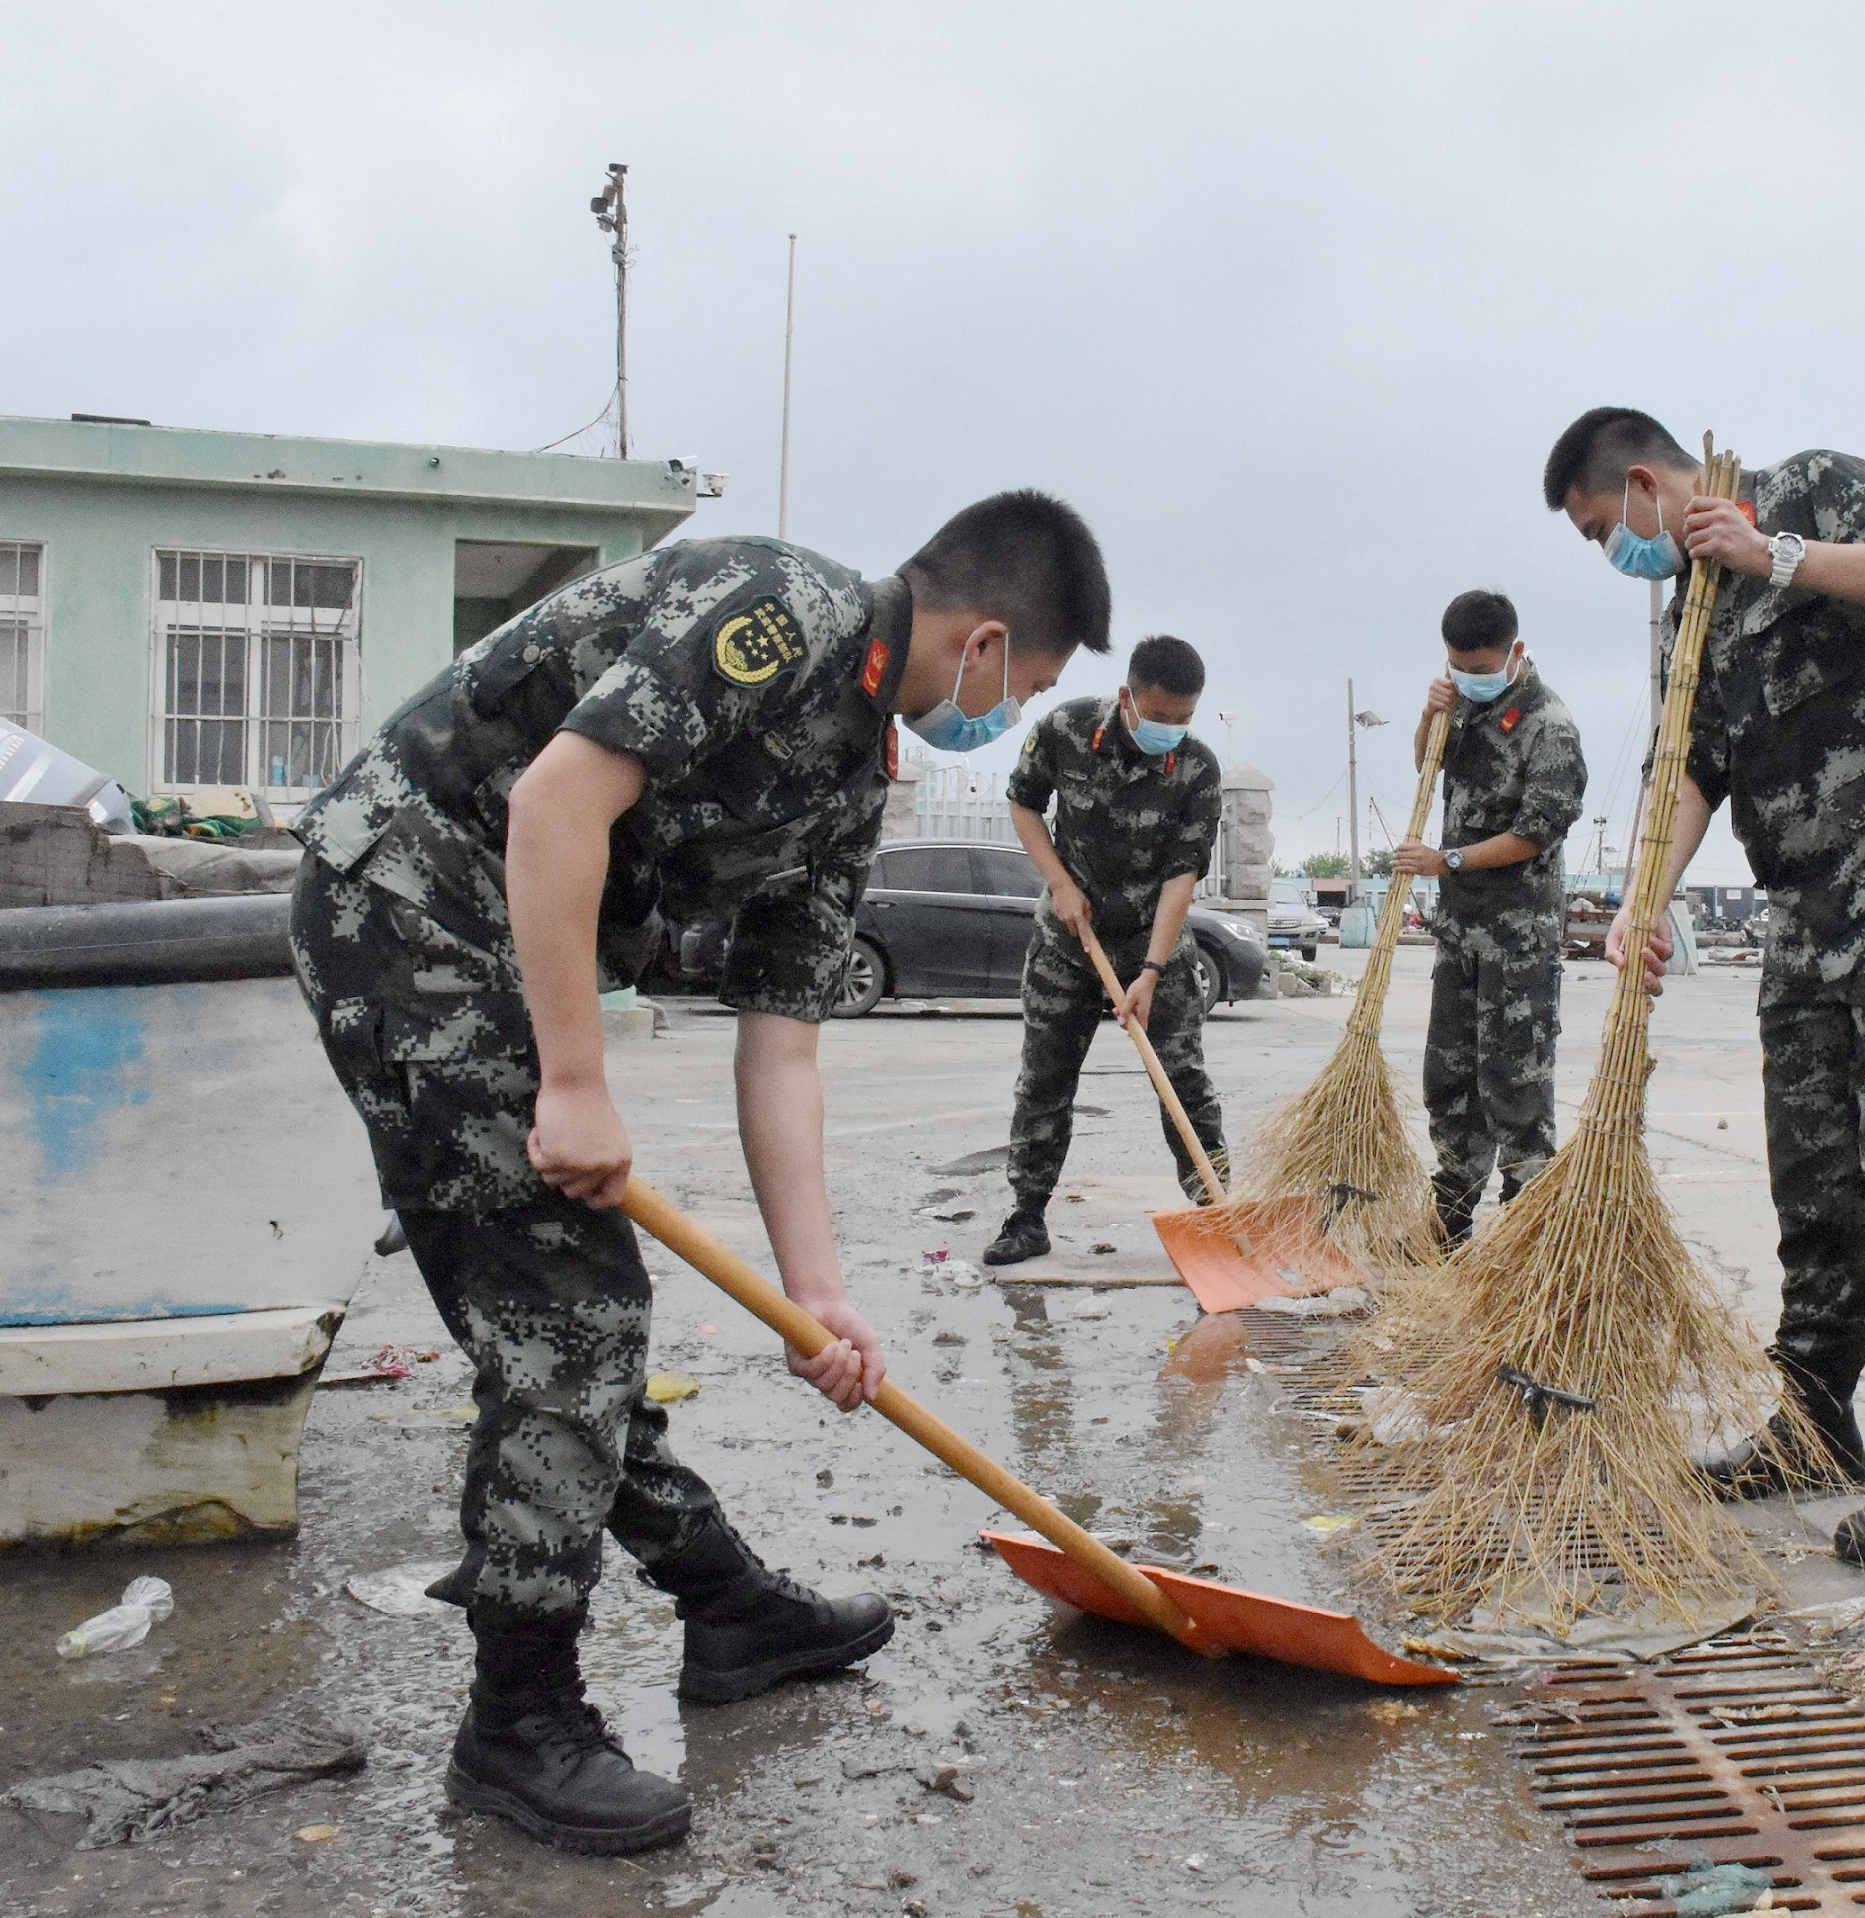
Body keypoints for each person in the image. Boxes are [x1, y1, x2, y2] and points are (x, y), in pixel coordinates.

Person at [287, 493, 1110, 1853]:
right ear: (984, 637)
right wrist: (573, 1080)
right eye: (1025, 683)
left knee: (559, 1320)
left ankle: (722, 1600)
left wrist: (819, 1296)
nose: (1010, 712)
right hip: (403, 897)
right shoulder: (774, 611)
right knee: (572, 1319)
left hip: (494, 943)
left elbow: (781, 1051)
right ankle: (519, 1718)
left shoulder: (854, 783)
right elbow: (559, 796)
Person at [1544, 407, 1865, 1569]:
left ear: (1648, 483)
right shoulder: (1685, 618)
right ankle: (1811, 1423)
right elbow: (1691, 769)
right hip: (1801, 914)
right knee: (1815, 1178)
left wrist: (1779, 555)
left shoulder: (1810, 489)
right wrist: (1641, 902)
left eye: (1609, 528)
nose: (1617, 555)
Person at [984, 635, 1227, 1265]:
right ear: (1128, 698)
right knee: (1044, 1080)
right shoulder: (1065, 729)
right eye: (1161, 716)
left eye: (1184, 719)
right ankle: (1027, 1217)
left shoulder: (1197, 767)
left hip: (1157, 946)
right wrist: (1060, 883)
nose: (1172, 729)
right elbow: (1023, 801)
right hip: (1069, 941)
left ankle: (1216, 1212)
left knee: (1185, 1084)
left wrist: (1150, 968)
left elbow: (1183, 873)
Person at [1391, 589, 1587, 1248]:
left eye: (1478, 667)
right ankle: (1448, 1225)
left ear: (1516, 654)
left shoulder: (1548, 724)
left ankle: (1530, 1244)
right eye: (1455, 666)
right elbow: (1428, 764)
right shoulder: (1462, 706)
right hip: (1459, 936)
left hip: (1517, 941)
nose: (1467, 677)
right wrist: (1429, 716)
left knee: (1515, 1086)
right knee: (1449, 1079)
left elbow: (1538, 832)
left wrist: (1447, 860)